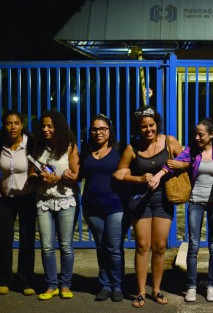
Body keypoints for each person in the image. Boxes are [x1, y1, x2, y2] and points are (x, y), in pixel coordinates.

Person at [114, 105, 183, 307]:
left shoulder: (169, 141)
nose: (148, 130)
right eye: (144, 127)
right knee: (143, 246)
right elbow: (120, 173)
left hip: (163, 200)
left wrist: (177, 165)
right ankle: (141, 291)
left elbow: (187, 160)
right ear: (138, 128)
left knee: (160, 246)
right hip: (140, 200)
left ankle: (157, 289)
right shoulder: (131, 148)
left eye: (151, 125)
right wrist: (139, 178)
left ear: (157, 124)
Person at [155, 118, 213, 303]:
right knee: (193, 245)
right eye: (196, 133)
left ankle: (211, 285)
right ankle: (192, 286)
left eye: (201, 134)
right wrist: (159, 174)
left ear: (211, 135)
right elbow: (173, 163)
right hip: (195, 202)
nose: (197, 137)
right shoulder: (192, 150)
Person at [30, 109, 80, 300]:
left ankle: (65, 285)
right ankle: (51, 285)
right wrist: (38, 177)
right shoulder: (37, 147)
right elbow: (32, 172)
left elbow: (75, 176)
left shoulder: (69, 146)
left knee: (66, 245)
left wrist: (58, 178)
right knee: (46, 246)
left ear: (57, 127)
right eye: (43, 126)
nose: (46, 129)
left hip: (65, 200)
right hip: (43, 200)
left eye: (50, 126)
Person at [78, 114, 128, 302]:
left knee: (114, 248)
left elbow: (129, 170)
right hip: (91, 208)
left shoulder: (120, 150)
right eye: (95, 129)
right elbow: (78, 175)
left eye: (102, 129)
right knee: (101, 247)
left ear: (109, 130)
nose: (98, 132)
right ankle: (105, 284)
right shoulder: (86, 152)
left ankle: (117, 285)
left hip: (116, 206)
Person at [0, 110, 37, 296]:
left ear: (22, 125)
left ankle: (26, 281)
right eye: (8, 123)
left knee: (27, 239)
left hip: (27, 197)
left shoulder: (30, 145)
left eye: (16, 123)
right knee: (4, 240)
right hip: (6, 198)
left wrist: (34, 174)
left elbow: (37, 166)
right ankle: (5, 279)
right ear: (4, 125)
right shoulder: (1, 145)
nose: (12, 127)